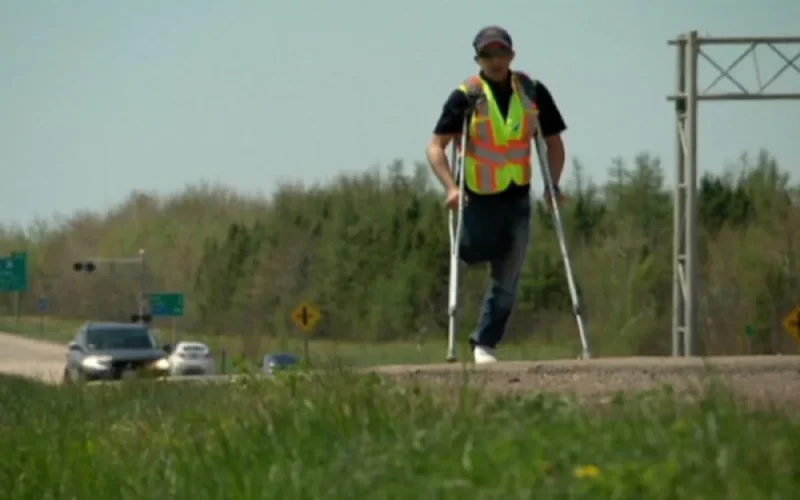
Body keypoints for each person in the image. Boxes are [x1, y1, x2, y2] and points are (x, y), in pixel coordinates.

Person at [425, 25, 568, 364]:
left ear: (511, 56)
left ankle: (484, 342)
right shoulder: (467, 95)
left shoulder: (532, 91)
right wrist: (451, 186)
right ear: (478, 59)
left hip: (517, 196)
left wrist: (553, 184)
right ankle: (455, 324)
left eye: (501, 53)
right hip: (476, 196)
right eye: (488, 54)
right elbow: (435, 147)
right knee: (472, 253)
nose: (495, 60)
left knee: (508, 272)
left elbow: (553, 141)